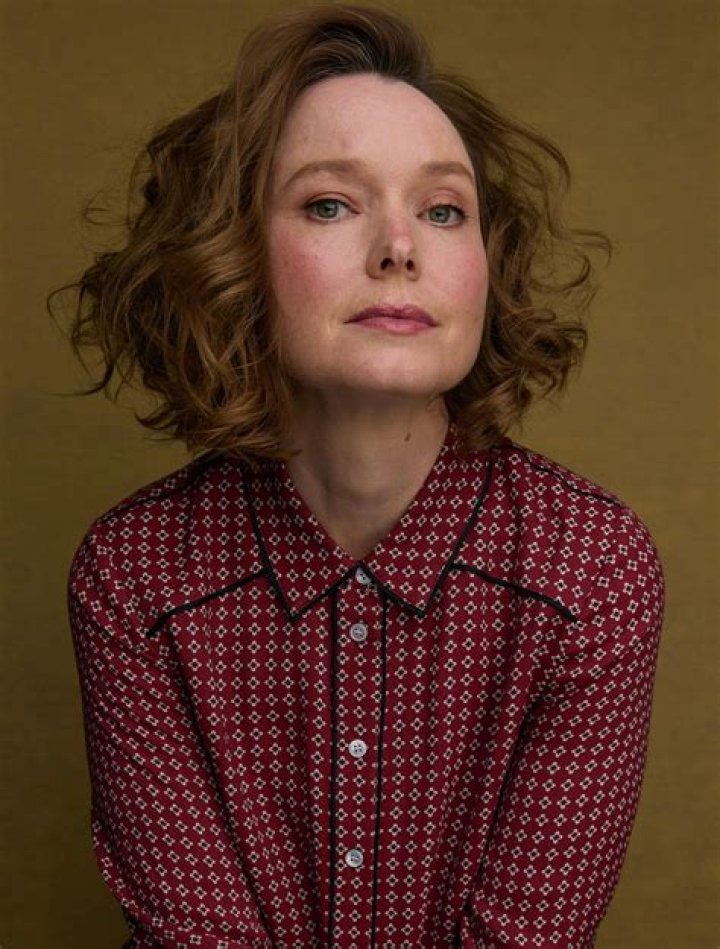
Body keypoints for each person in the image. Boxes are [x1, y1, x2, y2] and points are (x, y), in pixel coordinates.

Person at [54, 4, 665, 947]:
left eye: (443, 209)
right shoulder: (135, 578)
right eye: (330, 204)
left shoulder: (592, 570)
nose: (399, 247)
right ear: (231, 254)